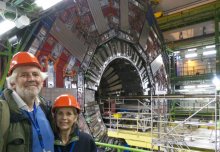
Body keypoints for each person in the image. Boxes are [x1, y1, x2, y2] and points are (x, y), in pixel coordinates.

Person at [0, 52, 54, 152]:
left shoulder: (44, 107)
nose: (31, 79)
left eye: (35, 74)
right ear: (13, 83)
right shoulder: (3, 112)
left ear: (41, 81)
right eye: (24, 75)